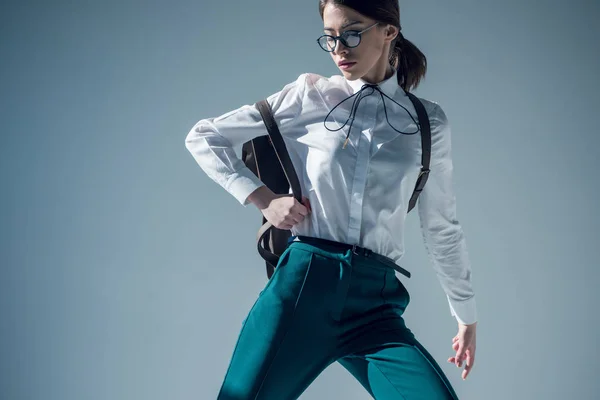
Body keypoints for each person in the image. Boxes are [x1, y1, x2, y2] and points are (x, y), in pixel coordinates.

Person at [184, 0, 477, 398]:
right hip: (303, 289)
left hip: (375, 305)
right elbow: (204, 136)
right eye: (331, 38)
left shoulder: (427, 122)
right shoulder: (309, 96)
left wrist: (466, 315)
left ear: (389, 31)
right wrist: (264, 198)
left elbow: (441, 226)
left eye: (352, 34)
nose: (339, 49)